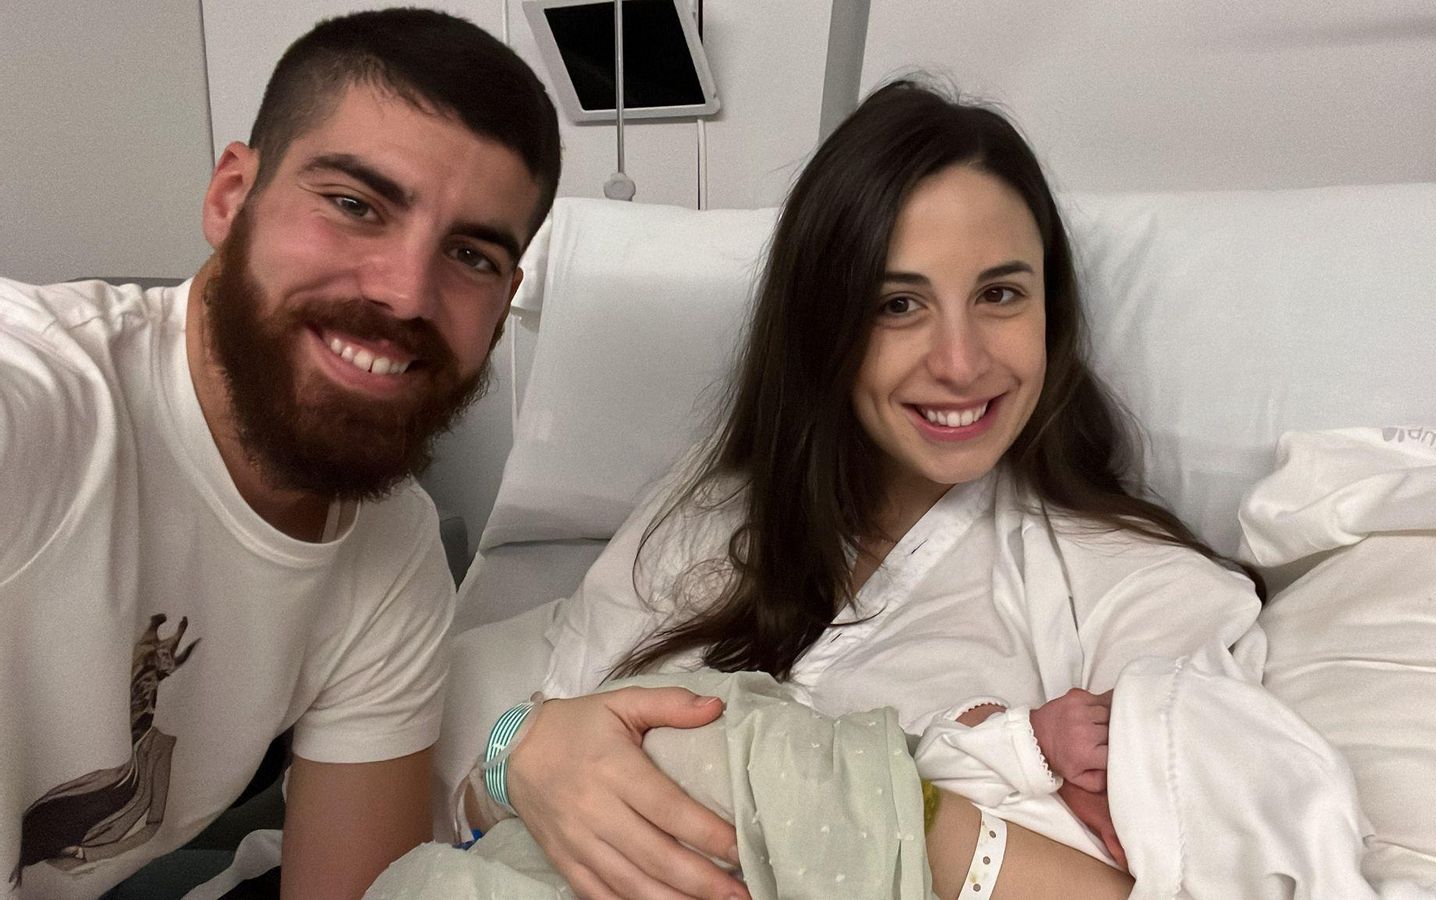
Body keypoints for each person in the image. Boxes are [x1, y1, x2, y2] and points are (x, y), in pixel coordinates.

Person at [479, 80, 1264, 900]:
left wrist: (857, 799)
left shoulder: (1136, 593)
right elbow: (522, 771)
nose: (960, 362)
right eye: (898, 304)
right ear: (824, 327)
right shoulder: (708, 515)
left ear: (1050, 310)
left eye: (999, 295)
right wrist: (511, 754)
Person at [0, 9, 560, 898]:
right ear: (231, 196)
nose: (408, 293)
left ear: (509, 297)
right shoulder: (41, 408)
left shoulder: (393, 553)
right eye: (354, 205)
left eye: (471, 255)